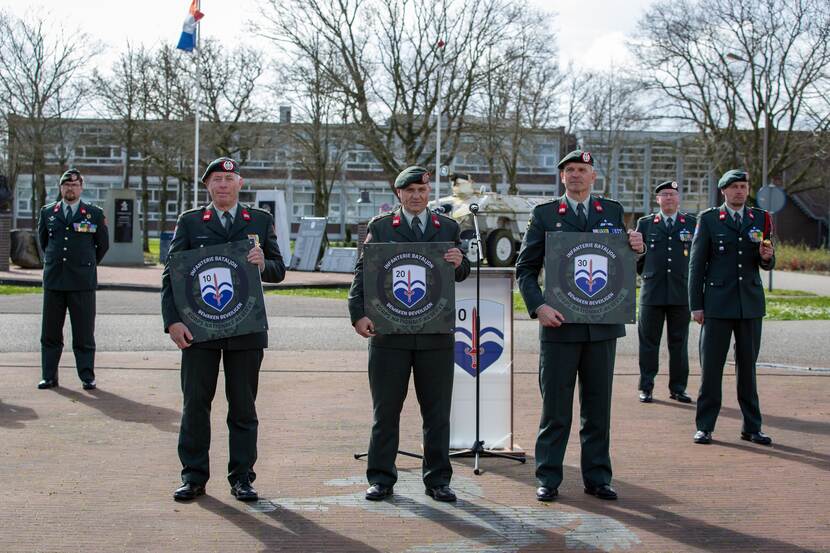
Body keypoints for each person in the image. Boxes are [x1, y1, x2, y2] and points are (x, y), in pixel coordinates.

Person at [515, 149, 644, 502]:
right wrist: (538, 306)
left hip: (602, 328)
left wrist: (638, 250)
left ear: (593, 176)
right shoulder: (544, 215)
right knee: (555, 410)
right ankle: (548, 477)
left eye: (582, 170)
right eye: (569, 170)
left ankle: (598, 478)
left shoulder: (612, 212)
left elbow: (624, 267)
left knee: (597, 409)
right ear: (562, 177)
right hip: (559, 327)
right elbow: (525, 270)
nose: (575, 175)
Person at [161, 157, 285, 502]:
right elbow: (171, 275)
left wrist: (265, 263)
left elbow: (279, 269)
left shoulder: (259, 220)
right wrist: (172, 321)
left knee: (243, 407)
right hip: (198, 330)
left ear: (240, 184)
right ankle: (194, 476)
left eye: (229, 179)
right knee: (196, 405)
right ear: (207, 186)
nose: (223, 185)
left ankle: (242, 477)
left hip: (245, 329)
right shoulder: (190, 222)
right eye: (216, 180)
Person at [348, 165, 470, 503]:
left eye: (422, 190)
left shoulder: (446, 226)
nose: (416, 196)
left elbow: (461, 272)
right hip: (390, 335)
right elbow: (362, 274)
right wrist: (357, 314)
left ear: (429, 192)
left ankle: (438, 480)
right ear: (398, 194)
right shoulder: (382, 226)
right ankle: (381, 478)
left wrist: (460, 261)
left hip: (435, 335)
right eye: (409, 191)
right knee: (385, 412)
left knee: (437, 413)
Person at [689, 169, 775, 446]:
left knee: (747, 370)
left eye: (743, 186)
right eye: (734, 187)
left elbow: (768, 258)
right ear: (723, 191)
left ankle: (752, 427)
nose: (740, 191)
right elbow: (697, 264)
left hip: (749, 305)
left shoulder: (760, 218)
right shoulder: (711, 219)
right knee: (711, 370)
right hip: (716, 305)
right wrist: (696, 305)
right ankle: (705, 426)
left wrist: (767, 258)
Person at [37, 169, 109, 390]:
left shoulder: (93, 213)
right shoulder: (48, 212)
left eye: (75, 185)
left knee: (84, 333)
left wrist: (85, 265)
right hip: (55, 280)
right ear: (60, 188)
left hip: (82, 282)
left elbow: (102, 245)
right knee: (50, 332)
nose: (70, 188)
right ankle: (49, 376)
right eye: (66, 185)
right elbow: (43, 241)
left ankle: (87, 376)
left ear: (81, 188)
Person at [634, 180, 697, 404]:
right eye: (664, 195)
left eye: (672, 194)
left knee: (679, 344)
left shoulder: (691, 223)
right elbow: (637, 257)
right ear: (657, 199)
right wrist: (648, 274)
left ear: (678, 198)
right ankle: (646, 387)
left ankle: (678, 388)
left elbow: (698, 259)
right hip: (652, 292)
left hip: (681, 292)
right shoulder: (646, 224)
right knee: (648, 342)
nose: (669, 198)